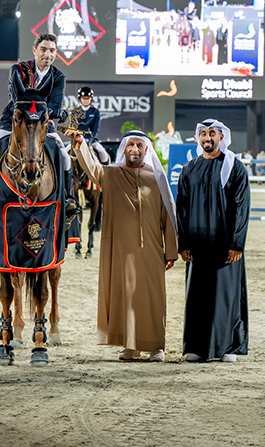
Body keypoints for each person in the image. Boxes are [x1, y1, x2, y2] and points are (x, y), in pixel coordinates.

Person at [66, 128, 178, 362]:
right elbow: (93, 169)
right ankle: (130, 346)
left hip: (152, 249)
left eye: (139, 145)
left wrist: (171, 250)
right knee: (126, 297)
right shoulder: (112, 175)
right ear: (124, 148)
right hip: (121, 251)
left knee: (153, 298)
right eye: (130, 145)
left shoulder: (156, 177)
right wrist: (80, 145)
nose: (135, 150)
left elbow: (168, 214)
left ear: (146, 149)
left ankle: (156, 346)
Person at [0, 33, 74, 224]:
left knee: (65, 155)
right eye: (43, 50)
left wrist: (53, 113)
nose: (47, 54)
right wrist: (43, 110)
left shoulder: (59, 76)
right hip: (15, 120)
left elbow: (56, 105)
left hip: (43, 124)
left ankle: (69, 199)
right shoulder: (18, 69)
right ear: (35, 50)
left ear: (56, 54)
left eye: (52, 51)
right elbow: (16, 100)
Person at [176, 118, 250, 363]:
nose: (207, 138)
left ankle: (228, 347)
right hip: (197, 245)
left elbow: (242, 207)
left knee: (225, 296)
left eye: (212, 134)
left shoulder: (234, 168)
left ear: (222, 137)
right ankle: (196, 347)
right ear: (198, 138)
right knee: (197, 296)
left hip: (225, 246)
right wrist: (183, 243)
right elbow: (182, 209)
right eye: (203, 134)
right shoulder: (189, 169)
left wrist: (237, 243)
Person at [74, 86, 110, 164]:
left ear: (91, 98)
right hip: (78, 139)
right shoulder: (76, 112)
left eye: (88, 98)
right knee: (66, 152)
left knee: (103, 153)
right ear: (80, 99)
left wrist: (90, 138)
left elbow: (95, 129)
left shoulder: (95, 112)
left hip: (91, 139)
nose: (86, 100)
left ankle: (105, 172)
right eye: (84, 98)